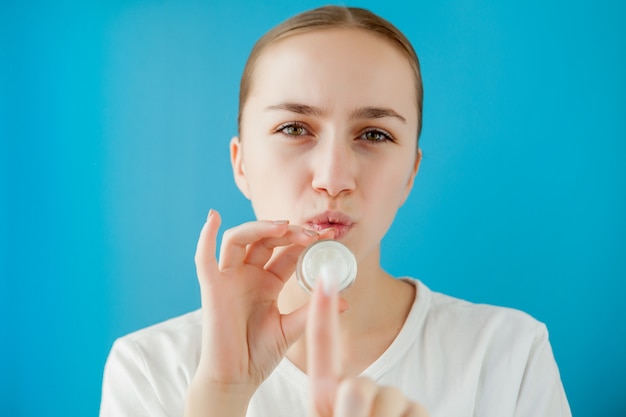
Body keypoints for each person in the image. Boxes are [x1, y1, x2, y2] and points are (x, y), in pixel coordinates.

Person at [99, 5, 571, 417]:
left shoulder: (508, 356)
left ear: (410, 172)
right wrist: (221, 397)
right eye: (293, 128)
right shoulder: (149, 368)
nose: (334, 178)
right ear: (241, 162)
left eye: (374, 135)